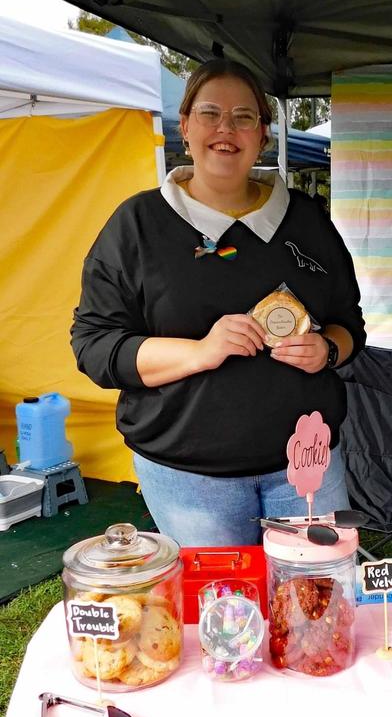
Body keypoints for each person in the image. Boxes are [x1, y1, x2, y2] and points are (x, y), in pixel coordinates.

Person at [71, 58, 366, 546]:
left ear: (264, 133)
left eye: (243, 116)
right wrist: (200, 352)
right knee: (224, 615)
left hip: (307, 464)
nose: (226, 129)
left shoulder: (307, 221)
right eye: (210, 113)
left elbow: (349, 322)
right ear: (185, 126)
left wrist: (328, 350)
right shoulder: (138, 225)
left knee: (318, 604)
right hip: (190, 479)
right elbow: (95, 345)